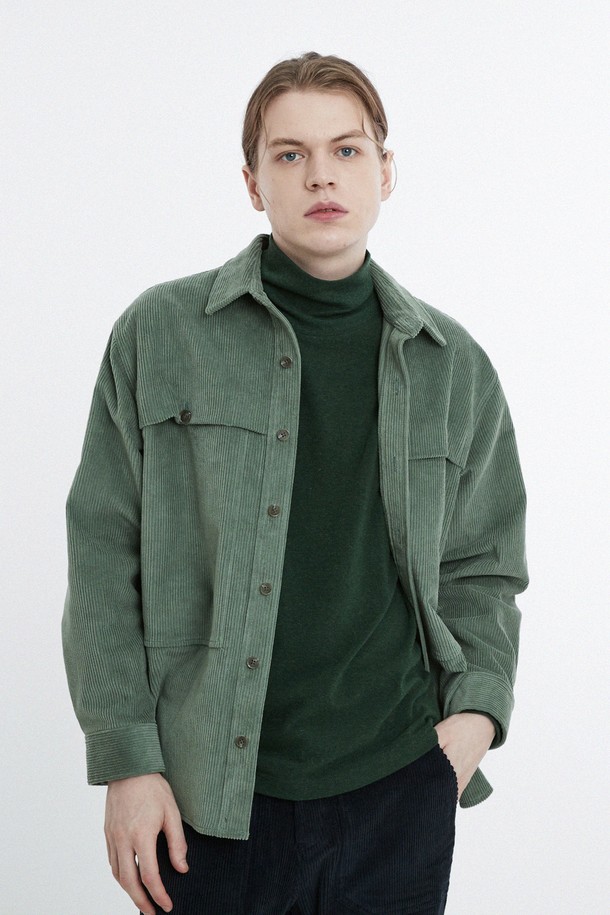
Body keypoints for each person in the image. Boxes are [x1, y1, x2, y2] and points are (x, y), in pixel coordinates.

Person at [62, 52, 528, 915]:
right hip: (204, 797)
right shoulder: (160, 333)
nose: (321, 175)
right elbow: (102, 553)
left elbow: (484, 566)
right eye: (290, 154)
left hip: (398, 788)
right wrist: (127, 761)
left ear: (386, 171)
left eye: (347, 150)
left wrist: (474, 720)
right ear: (253, 182)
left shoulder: (453, 365)